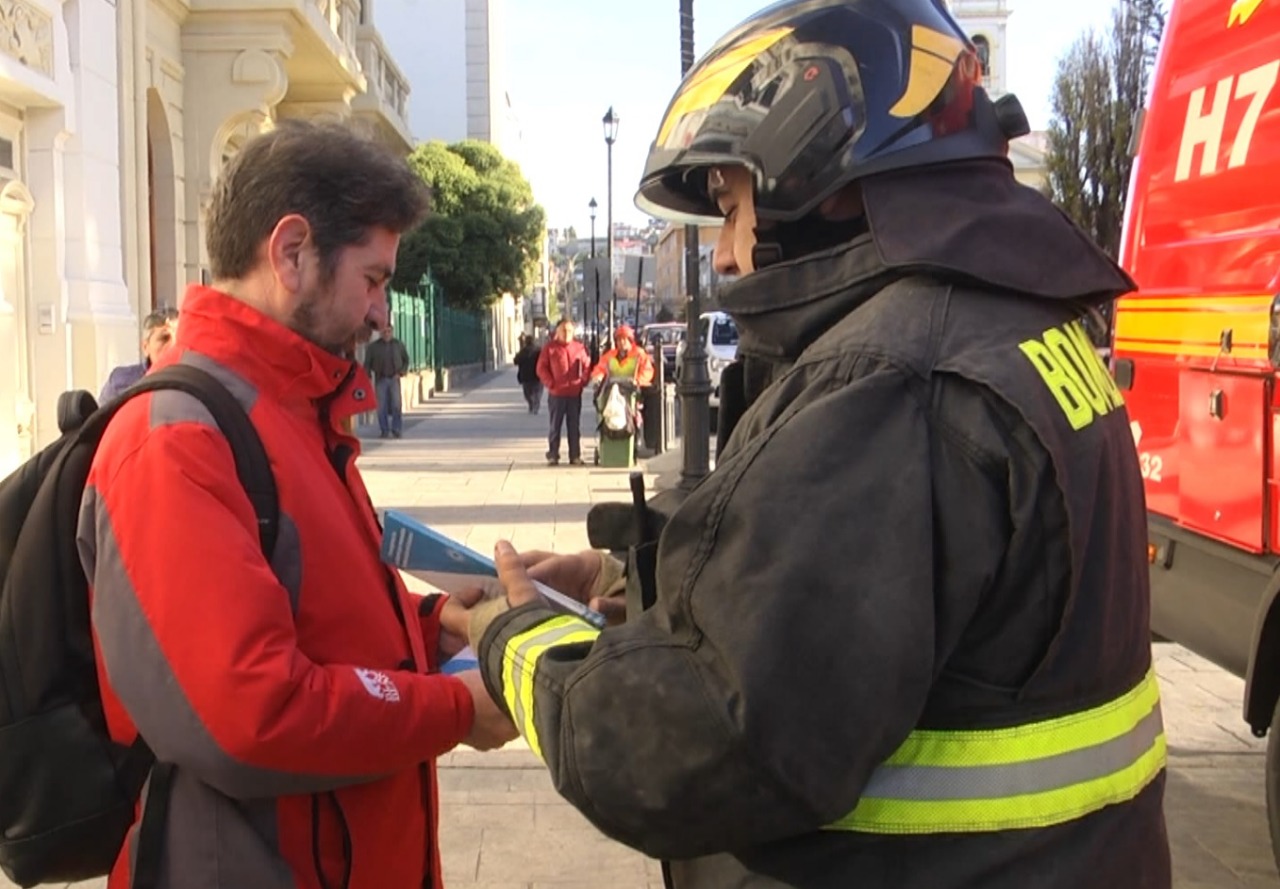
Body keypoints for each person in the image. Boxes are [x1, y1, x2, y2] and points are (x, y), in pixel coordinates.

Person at [460, 2, 1170, 887]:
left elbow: (692, 747)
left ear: (817, 175)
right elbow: (889, 604)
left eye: (730, 207)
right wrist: (625, 580)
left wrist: (512, 636)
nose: (724, 255)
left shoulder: (887, 380)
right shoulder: (1010, 326)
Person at [76, 119, 515, 889]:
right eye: (373, 279)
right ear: (291, 253)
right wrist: (453, 708)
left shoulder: (292, 410)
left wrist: (433, 623)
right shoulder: (174, 439)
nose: (382, 314)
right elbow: (251, 709)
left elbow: (313, 618)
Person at [535, 319, 590, 466]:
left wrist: (583, 382)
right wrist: (550, 383)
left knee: (574, 426)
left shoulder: (579, 348)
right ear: (557, 332)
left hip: (574, 394)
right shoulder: (550, 348)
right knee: (555, 426)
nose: (566, 333)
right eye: (563, 330)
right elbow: (541, 368)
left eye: (569, 331)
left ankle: (575, 455)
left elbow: (586, 366)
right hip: (556, 395)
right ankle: (553, 455)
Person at [98, 307, 179, 404]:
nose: (173, 345)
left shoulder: (193, 380)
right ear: (146, 347)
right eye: (164, 338)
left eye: (178, 339)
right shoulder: (120, 383)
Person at [364, 321, 411, 438]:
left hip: (394, 378)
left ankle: (396, 429)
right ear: (380, 333)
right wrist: (367, 375)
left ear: (392, 332)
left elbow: (406, 360)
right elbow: (367, 363)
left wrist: (401, 372)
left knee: (396, 405)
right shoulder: (373, 347)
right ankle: (384, 430)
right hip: (381, 378)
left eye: (389, 331)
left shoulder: (398, 345)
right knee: (381, 406)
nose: (386, 334)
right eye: (384, 332)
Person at [588, 324, 655, 390]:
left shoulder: (639, 353)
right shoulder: (610, 355)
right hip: (612, 387)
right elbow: (600, 368)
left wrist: (638, 381)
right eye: (619, 339)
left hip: (633, 389)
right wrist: (598, 377)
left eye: (624, 339)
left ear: (630, 340)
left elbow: (647, 370)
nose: (621, 342)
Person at [514, 332, 543, 414]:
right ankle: (535, 405)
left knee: (527, 393)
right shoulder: (539, 351)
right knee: (537, 392)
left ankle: (531, 403)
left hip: (526, 376)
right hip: (537, 375)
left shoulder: (522, 351)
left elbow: (516, 361)